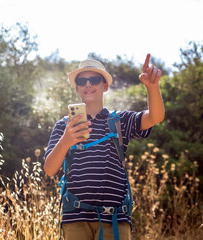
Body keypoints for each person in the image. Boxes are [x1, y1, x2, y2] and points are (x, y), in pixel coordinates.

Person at [44, 54, 165, 240]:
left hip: (115, 219)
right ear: (76, 88)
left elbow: (155, 117)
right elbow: (50, 169)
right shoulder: (64, 126)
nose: (88, 84)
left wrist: (152, 87)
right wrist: (66, 141)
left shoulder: (120, 121)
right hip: (75, 219)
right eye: (82, 81)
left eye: (94, 79)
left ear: (105, 86)